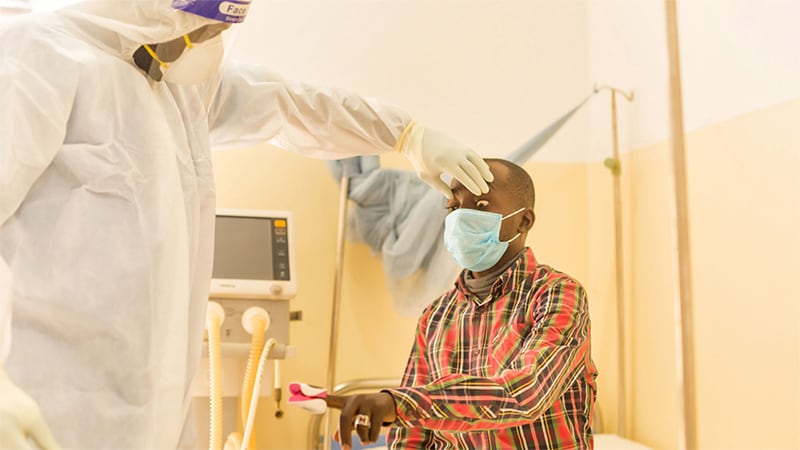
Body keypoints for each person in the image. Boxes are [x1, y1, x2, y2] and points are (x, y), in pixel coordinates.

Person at [0, 1, 495, 448]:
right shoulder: (36, 58)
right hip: (43, 413)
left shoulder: (173, 88)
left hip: (155, 421)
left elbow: (290, 104)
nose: (210, 40)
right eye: (203, 26)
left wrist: (405, 134)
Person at [327, 159, 597, 449]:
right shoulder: (437, 315)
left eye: (481, 206)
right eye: (453, 208)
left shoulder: (557, 294)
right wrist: (398, 409)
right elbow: (413, 435)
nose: (461, 217)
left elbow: (525, 393)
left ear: (524, 220)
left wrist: (398, 403)